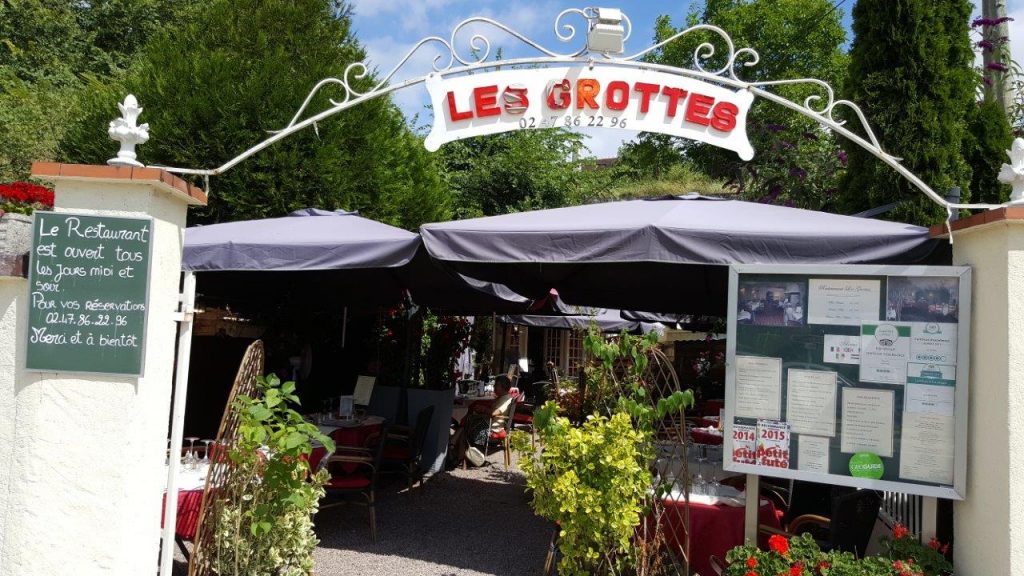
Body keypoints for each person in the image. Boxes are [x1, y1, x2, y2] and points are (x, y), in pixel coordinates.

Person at [449, 375, 514, 466]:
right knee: (466, 424)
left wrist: (482, 409)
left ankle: (453, 447)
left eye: (496, 385)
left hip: (491, 428)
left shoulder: (506, 399)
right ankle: (457, 455)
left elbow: (494, 413)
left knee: (465, 425)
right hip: (488, 424)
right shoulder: (502, 397)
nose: (494, 387)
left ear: (503, 387)